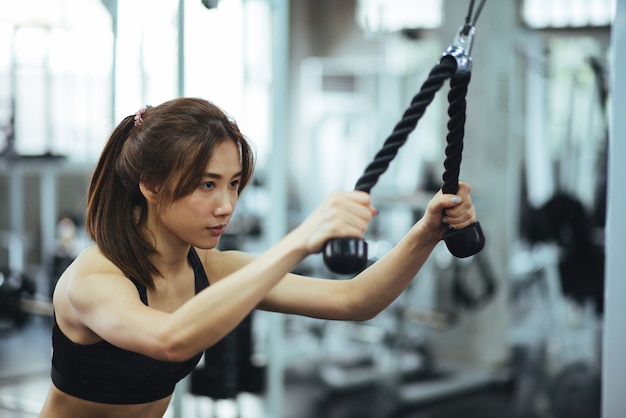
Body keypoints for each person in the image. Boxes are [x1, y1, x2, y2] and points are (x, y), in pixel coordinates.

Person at [39, 97, 477, 418]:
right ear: (150, 185)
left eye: (233, 184)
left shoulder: (208, 268)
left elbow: (355, 301)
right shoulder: (94, 279)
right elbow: (170, 340)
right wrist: (299, 240)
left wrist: (426, 232)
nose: (227, 205)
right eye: (207, 185)